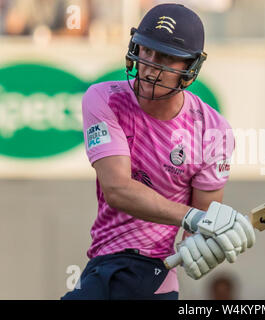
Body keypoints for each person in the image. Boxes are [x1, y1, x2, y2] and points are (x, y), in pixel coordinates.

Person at [61, 3, 255, 300]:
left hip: (153, 276)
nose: (151, 65)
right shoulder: (104, 99)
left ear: (190, 68)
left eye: (165, 56)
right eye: (147, 50)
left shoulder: (213, 130)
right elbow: (118, 189)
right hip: (104, 265)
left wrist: (206, 248)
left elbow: (200, 226)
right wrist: (196, 219)